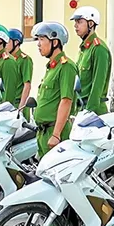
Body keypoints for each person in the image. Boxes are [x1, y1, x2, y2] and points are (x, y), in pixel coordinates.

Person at [32, 22, 77, 158]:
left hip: (54, 132)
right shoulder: (52, 67)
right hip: (43, 132)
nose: (38, 44)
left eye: (42, 39)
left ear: (55, 42)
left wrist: (56, 134)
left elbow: (66, 101)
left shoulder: (66, 66)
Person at [71, 6, 112, 115]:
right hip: (81, 108)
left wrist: (89, 112)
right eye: (75, 22)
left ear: (91, 24)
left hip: (94, 111)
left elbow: (98, 84)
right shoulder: (84, 49)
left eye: (79, 22)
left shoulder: (99, 49)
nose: (75, 26)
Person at [7, 28, 33, 121]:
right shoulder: (7, 61)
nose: (4, 45)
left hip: (18, 104)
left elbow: (27, 85)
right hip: (7, 106)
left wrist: (20, 110)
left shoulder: (24, 60)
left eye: (7, 41)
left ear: (16, 43)